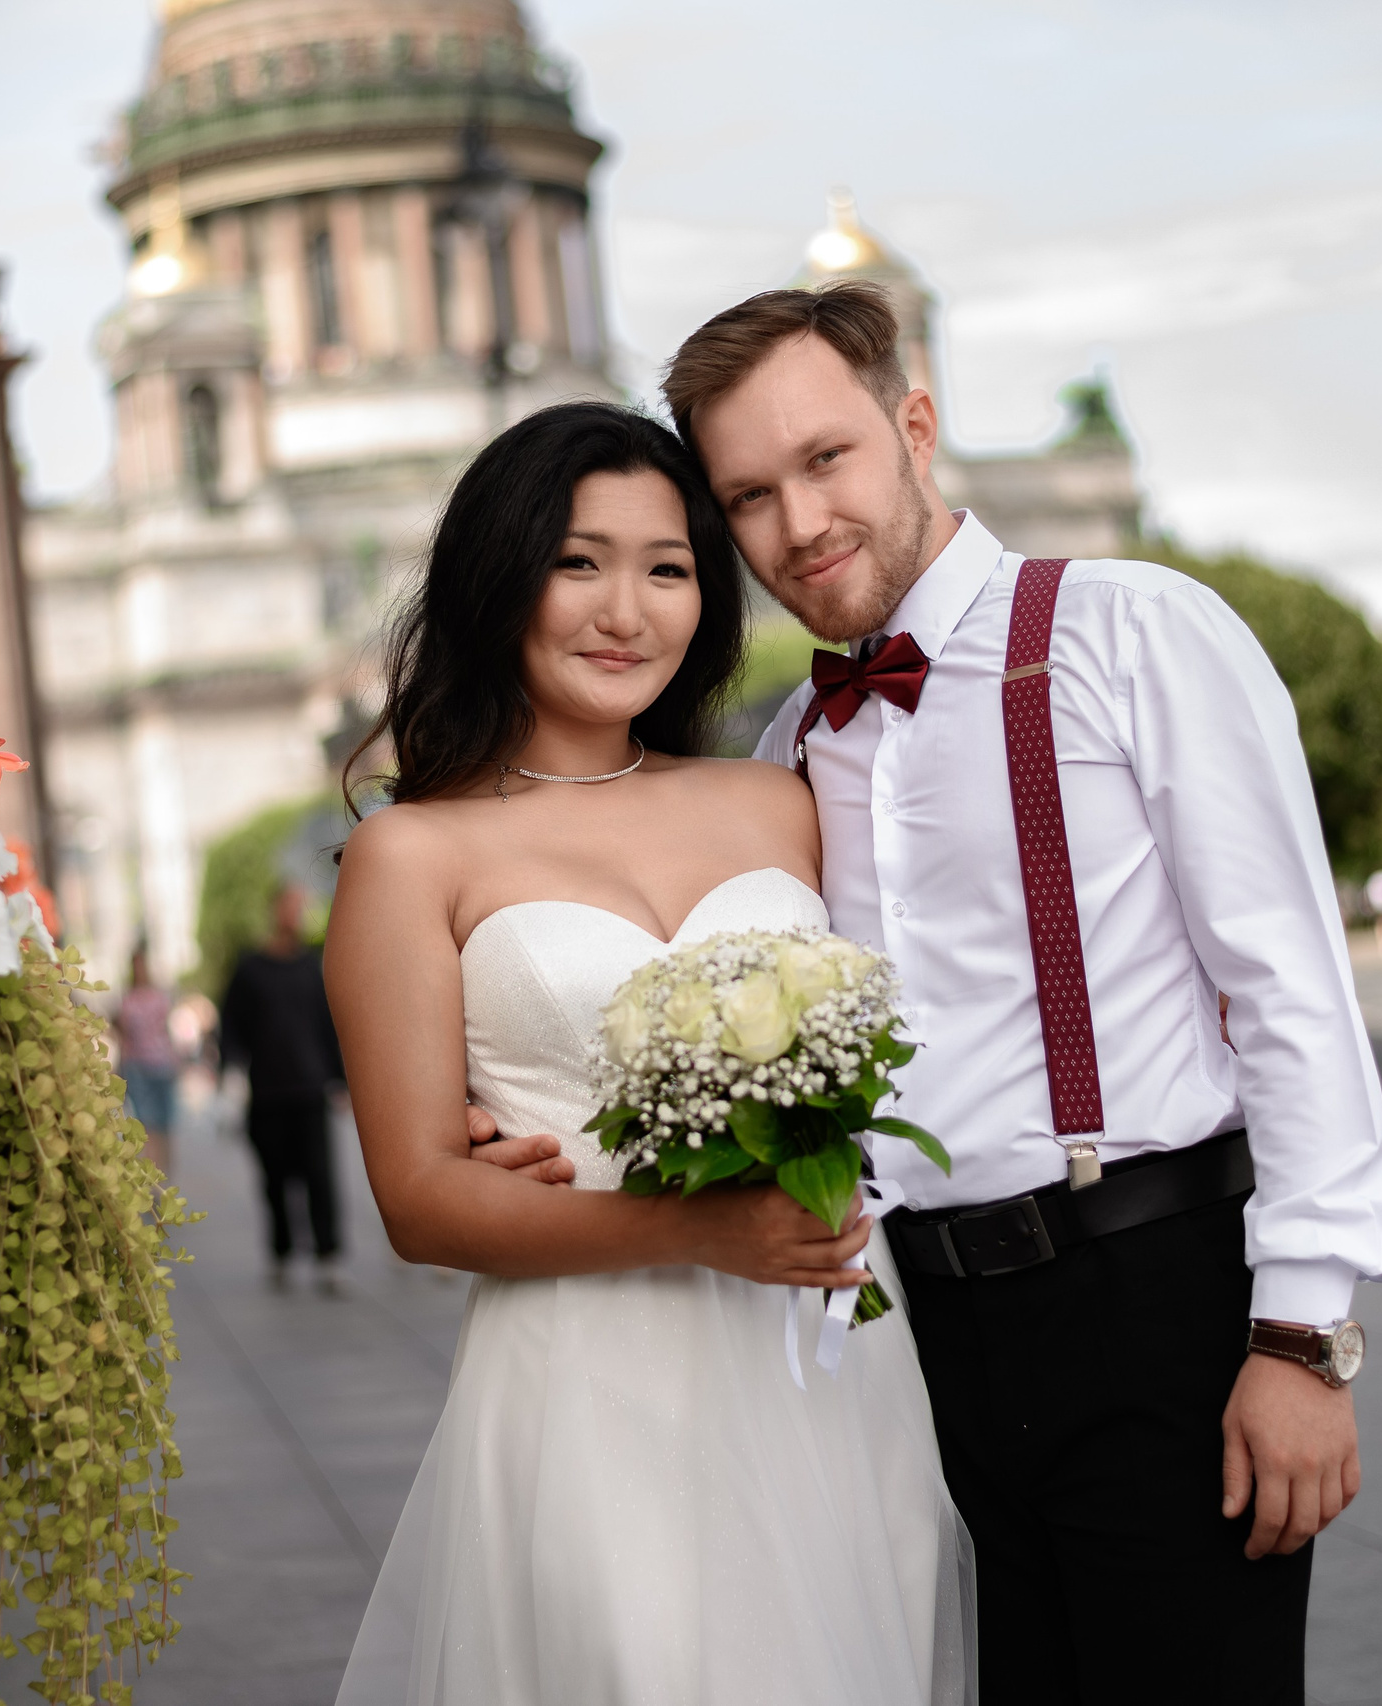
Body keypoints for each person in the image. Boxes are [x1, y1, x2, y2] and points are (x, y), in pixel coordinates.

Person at [665, 280, 1382, 1704]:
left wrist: (1303, 1336)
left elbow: (1291, 987)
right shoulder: (790, 744)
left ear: (914, 426)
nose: (799, 524)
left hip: (1150, 1300)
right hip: (918, 1349)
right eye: (749, 494)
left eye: (826, 458)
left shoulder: (1133, 632)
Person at [325, 400, 965, 1705]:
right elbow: (419, 1199)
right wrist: (696, 1229)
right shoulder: (410, 854)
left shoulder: (777, 799)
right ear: (499, 577)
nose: (626, 611)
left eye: (667, 568)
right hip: (592, 1381)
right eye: (579, 562)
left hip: (827, 1356)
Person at [219, 884, 347, 1292]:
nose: (297, 913)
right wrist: (231, 1077)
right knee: (274, 1179)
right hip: (267, 1092)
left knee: (320, 1176)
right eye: (291, 905)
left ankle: (328, 1256)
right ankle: (282, 1252)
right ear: (275, 909)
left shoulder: (310, 966)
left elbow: (327, 1024)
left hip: (310, 1089)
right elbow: (231, 1025)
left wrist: (339, 1079)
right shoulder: (250, 968)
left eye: (301, 906)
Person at [113, 946, 179, 1174]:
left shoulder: (134, 1001)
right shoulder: (142, 1000)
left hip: (154, 1064)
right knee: (153, 1124)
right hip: (146, 1065)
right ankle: (158, 1173)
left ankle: (159, 1173)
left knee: (158, 1123)